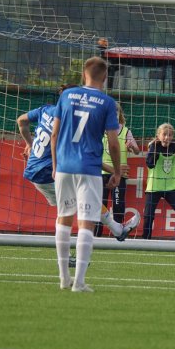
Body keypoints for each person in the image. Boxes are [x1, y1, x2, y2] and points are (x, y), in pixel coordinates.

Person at [17, 85, 139, 269]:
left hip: (34, 172)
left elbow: (21, 121)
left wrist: (30, 144)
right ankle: (114, 232)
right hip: (48, 173)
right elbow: (86, 156)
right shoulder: (71, 122)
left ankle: (114, 231)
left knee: (77, 205)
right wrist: (115, 171)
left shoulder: (46, 110)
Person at [50, 57, 125, 292]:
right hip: (90, 169)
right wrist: (118, 171)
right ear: (105, 78)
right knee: (86, 223)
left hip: (64, 167)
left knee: (63, 218)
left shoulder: (66, 96)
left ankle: (63, 279)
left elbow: (55, 134)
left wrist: (54, 165)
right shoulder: (106, 102)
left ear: (84, 74)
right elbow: (113, 143)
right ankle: (79, 282)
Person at [95, 102, 141, 237]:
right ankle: (96, 234)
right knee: (99, 204)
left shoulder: (125, 131)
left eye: (116, 112)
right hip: (101, 173)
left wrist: (132, 147)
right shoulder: (98, 130)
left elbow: (137, 150)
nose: (113, 115)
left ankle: (118, 233)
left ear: (119, 114)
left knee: (118, 204)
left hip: (119, 175)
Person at [143, 123, 175, 240]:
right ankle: (145, 240)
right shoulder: (153, 146)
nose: (167, 138)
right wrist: (155, 150)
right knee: (148, 215)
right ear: (158, 135)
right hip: (154, 186)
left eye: (169, 135)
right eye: (164, 135)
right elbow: (150, 164)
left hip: (171, 186)